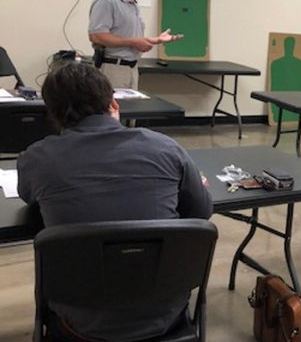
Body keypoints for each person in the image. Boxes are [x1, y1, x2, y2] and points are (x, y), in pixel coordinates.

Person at [18, 63, 213, 341]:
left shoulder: (37, 159)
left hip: (79, 322)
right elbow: (201, 212)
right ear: (113, 102)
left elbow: (29, 196)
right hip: (164, 315)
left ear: (54, 114)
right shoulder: (166, 147)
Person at [88, 0, 184, 89]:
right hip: (112, 69)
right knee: (111, 110)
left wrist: (155, 40)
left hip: (132, 68)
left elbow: (129, 37)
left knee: (130, 110)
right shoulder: (107, 0)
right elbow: (97, 36)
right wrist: (133, 42)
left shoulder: (132, 2)